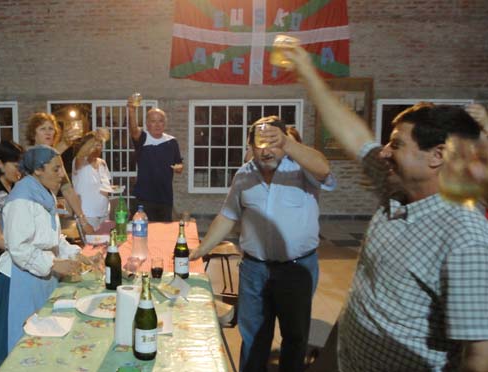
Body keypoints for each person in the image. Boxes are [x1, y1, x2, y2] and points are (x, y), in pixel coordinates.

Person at [286, 47, 488, 371]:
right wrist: (308, 74)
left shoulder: (466, 238)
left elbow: (479, 358)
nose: (382, 153)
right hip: (342, 358)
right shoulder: (397, 192)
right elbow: (353, 134)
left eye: (396, 144)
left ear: (436, 156)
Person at [190, 116, 335, 372]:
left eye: (273, 142)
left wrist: (288, 144)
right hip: (254, 270)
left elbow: (324, 169)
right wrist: (202, 249)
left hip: (296, 270)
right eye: (260, 143)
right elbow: (228, 215)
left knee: (295, 336)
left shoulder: (302, 170)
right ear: (250, 146)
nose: (266, 150)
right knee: (254, 335)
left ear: (284, 142)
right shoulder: (244, 176)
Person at [0, 145, 81, 369]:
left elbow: (53, 238)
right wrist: (54, 264)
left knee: (40, 344)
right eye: (56, 169)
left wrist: (78, 256)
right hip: (18, 284)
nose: (62, 175)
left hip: (38, 280)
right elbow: (19, 249)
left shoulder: (44, 194)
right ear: (38, 170)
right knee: (16, 349)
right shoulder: (21, 199)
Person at [26, 112, 94, 234]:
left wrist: (83, 220)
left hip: (50, 217)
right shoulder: (28, 154)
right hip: (31, 218)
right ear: (33, 134)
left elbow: (67, 189)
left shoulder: (56, 156)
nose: (48, 132)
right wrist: (65, 144)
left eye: (51, 129)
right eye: (42, 128)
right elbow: (41, 162)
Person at [126, 100, 183, 221]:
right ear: (147, 124)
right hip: (143, 198)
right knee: (142, 233)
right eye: (153, 121)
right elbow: (134, 130)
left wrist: (179, 167)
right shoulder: (143, 138)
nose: (157, 125)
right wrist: (132, 111)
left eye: (160, 121)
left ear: (165, 124)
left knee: (163, 235)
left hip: (165, 198)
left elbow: (179, 163)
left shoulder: (172, 142)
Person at [0, 141, 23, 296]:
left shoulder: (15, 187)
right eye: (16, 166)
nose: (20, 171)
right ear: (0, 164)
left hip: (10, 251)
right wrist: (25, 249)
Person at [72, 128, 112, 230]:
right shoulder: (79, 162)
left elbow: (106, 185)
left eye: (100, 144)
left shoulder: (102, 162)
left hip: (104, 213)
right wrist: (94, 138)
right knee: (91, 245)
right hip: (87, 215)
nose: (98, 148)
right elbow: (81, 154)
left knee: (105, 244)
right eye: (94, 144)